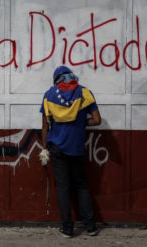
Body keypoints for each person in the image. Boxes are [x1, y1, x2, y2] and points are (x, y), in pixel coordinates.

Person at [39, 66, 101, 238]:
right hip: (76, 149)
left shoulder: (49, 95)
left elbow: (45, 127)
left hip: (57, 149)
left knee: (63, 189)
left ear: (56, 79)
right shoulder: (84, 93)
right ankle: (91, 227)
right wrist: (81, 122)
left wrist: (44, 149)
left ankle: (67, 229)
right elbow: (97, 120)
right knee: (81, 186)